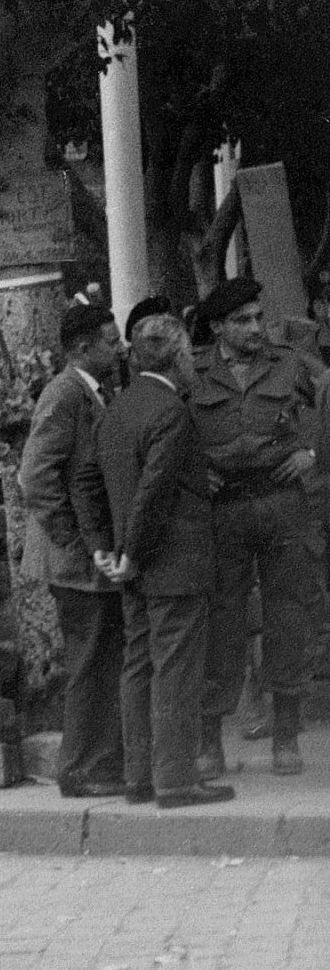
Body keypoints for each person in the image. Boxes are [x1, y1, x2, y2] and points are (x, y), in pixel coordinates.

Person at [73, 312, 233, 808]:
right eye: (190, 355)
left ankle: (139, 777)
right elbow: (155, 492)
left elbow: (85, 481)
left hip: (131, 566)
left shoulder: (115, 409)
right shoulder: (171, 413)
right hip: (173, 565)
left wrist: (106, 548)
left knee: (138, 667)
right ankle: (177, 780)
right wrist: (134, 555)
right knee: (177, 670)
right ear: (180, 357)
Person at [187, 275, 324, 778]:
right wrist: (190, 470)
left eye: (258, 318)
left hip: (282, 505)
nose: (255, 328)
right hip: (223, 510)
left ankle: (285, 735)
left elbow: (326, 409)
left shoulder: (290, 363)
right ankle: (209, 740)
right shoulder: (193, 371)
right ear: (218, 327)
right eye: (242, 321)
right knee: (221, 619)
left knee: (289, 613)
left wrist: (313, 454)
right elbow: (171, 430)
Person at [18, 300, 127, 798]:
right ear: (82, 349)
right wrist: (75, 540)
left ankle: (98, 763)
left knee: (100, 655)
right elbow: (35, 476)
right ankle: (79, 771)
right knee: (89, 660)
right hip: (74, 560)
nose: (120, 347)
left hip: (82, 555)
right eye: (111, 340)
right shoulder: (64, 395)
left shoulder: (91, 392)